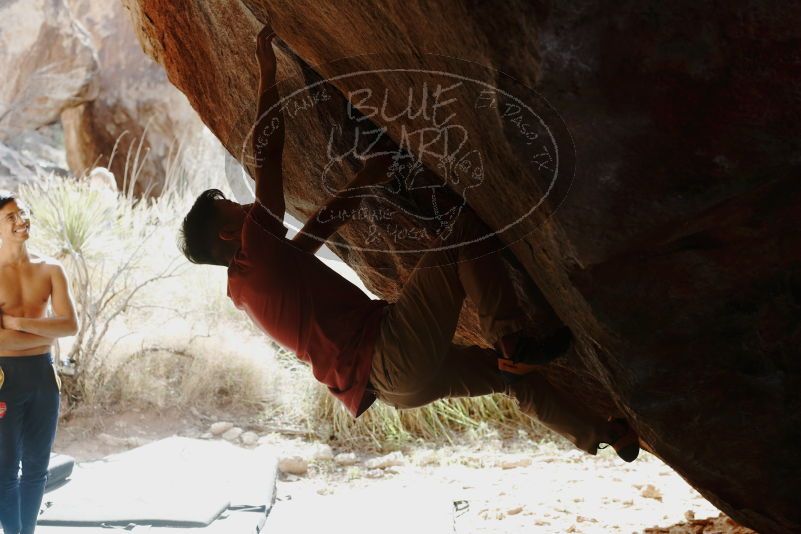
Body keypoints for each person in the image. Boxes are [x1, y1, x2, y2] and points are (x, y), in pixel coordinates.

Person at [179, 26, 639, 462]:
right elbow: (270, 157)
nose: (244, 207)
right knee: (462, 233)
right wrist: (266, 72)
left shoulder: (250, 283)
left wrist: (365, 180)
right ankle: (511, 336)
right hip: (391, 353)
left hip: (398, 386)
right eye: (234, 209)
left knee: (507, 377)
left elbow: (315, 232)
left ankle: (604, 434)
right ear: (226, 234)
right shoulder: (254, 254)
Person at [0, 191, 78, 534]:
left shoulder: (51, 269)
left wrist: (18, 324)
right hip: (5, 377)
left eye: (23, 213)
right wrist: (47, 332)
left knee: (36, 470)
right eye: (11, 217)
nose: (21, 221)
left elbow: (70, 325)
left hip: (44, 378)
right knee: (4, 471)